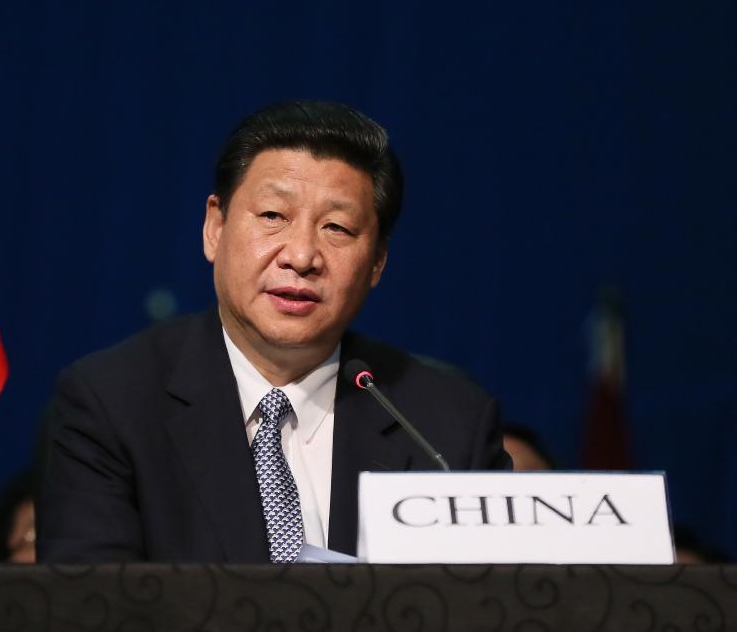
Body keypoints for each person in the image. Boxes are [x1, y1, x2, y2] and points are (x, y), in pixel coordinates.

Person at [37, 100, 510, 563]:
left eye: (337, 228)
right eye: (273, 217)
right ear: (214, 228)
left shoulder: (448, 425)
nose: (301, 256)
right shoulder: (110, 403)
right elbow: (90, 606)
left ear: (377, 263)